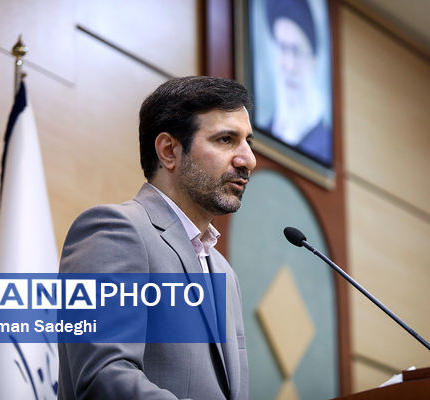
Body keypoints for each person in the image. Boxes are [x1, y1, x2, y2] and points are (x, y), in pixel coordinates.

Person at [57, 76, 255, 400]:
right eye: (226, 139)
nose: (248, 159)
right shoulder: (116, 232)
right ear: (169, 151)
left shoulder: (225, 273)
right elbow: (103, 379)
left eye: (248, 142)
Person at [264, 0, 332, 165]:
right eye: (282, 48)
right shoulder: (262, 132)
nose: (289, 66)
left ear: (314, 61)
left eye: (296, 51)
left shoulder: (327, 146)